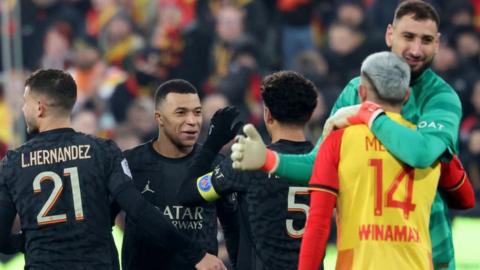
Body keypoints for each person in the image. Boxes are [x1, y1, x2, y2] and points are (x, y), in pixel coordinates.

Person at [231, 1, 466, 269]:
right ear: (390, 34)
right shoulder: (356, 88)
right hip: (362, 254)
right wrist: (270, 159)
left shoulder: (441, 98)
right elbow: (317, 165)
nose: (415, 49)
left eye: (425, 40)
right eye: (408, 36)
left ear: (437, 43)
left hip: (427, 254)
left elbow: (421, 153)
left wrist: (367, 114)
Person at [0, 69, 226, 270]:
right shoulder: (103, 151)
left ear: (40, 108)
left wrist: (30, 239)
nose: (22, 108)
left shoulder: (12, 162)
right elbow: (139, 211)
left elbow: (1, 238)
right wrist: (196, 254)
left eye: (25, 102)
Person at [297, 51, 475, 270]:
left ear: (361, 93)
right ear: (407, 95)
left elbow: (318, 224)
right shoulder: (427, 146)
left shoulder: (338, 140)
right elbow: (466, 199)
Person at [177, 71, 318, 270]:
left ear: (267, 114)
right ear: (310, 114)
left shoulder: (247, 162)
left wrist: (212, 144)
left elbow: (186, 194)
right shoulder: (327, 163)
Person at [121, 79, 240, 270]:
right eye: (181, 113)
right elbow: (103, 224)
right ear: (159, 117)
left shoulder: (215, 163)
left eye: (197, 113)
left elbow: (233, 229)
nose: (192, 121)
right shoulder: (131, 162)